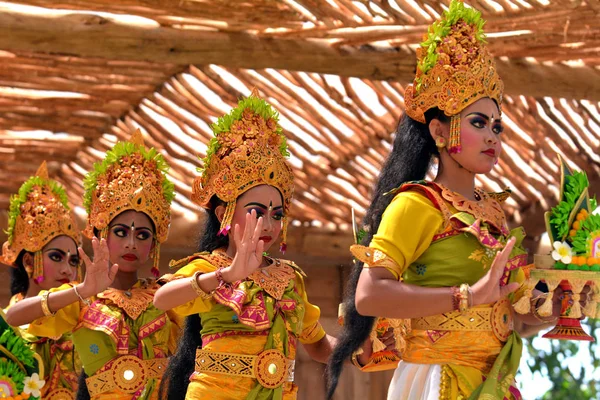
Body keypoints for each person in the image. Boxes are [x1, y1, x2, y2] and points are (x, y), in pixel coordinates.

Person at [325, 1, 560, 398]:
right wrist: (467, 296)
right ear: (438, 130)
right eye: (478, 123)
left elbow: (513, 318)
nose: (492, 137)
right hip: (438, 379)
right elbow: (368, 295)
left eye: (497, 127)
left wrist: (549, 309)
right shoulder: (417, 204)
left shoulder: (494, 212)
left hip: (495, 381)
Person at [154, 92, 386, 399]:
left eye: (276, 215)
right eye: (256, 212)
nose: (267, 224)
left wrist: (356, 347)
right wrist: (228, 275)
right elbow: (162, 299)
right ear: (224, 213)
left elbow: (316, 345)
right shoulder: (210, 268)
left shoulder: (288, 279)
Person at [6, 131, 181, 399]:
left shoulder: (166, 294)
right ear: (101, 235)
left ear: (154, 246)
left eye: (143, 235)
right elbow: (13, 317)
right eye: (121, 232)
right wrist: (82, 290)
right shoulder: (83, 299)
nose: (132, 243)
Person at [2, 161, 82, 399]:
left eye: (74, 261)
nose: (67, 269)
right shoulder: (6, 330)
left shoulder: (85, 323)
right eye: (56, 257)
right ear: (28, 262)